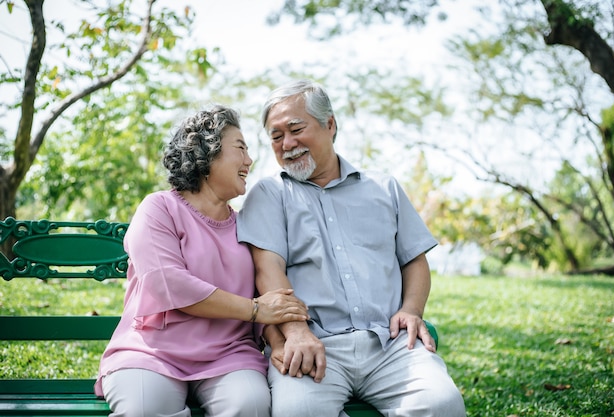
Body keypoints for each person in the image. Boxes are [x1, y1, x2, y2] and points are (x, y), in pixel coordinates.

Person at [236, 80, 466, 417]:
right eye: (276, 136)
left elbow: (414, 259)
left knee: (442, 404)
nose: (287, 143)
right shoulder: (269, 194)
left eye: (296, 129)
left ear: (330, 125)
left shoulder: (383, 187)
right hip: (312, 343)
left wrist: (413, 310)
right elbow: (267, 270)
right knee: (297, 412)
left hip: (390, 344)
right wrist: (297, 332)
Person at [95, 106, 309, 417]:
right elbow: (169, 284)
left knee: (249, 405)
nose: (249, 161)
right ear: (206, 152)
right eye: (240, 148)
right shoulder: (159, 208)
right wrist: (255, 310)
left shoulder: (247, 225)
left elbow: (267, 292)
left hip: (229, 355)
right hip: (153, 351)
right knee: (145, 408)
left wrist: (277, 340)